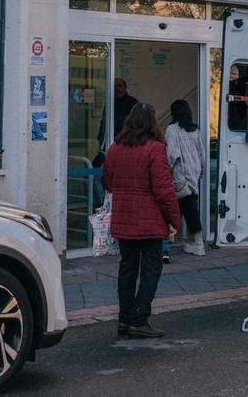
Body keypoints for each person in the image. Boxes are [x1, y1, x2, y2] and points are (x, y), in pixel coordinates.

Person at [102, 103, 181, 339]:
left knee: (127, 269)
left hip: (124, 218)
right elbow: (164, 190)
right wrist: (174, 219)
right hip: (150, 222)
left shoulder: (115, 148)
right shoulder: (155, 149)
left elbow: (107, 181)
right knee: (150, 270)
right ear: (152, 123)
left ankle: (124, 320)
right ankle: (140, 318)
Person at [165, 99, 205, 259]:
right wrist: (200, 173)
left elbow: (171, 155)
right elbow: (202, 155)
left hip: (179, 176)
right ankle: (196, 242)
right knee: (187, 208)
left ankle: (168, 246)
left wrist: (164, 172)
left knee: (173, 210)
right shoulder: (195, 130)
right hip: (194, 175)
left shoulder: (172, 129)